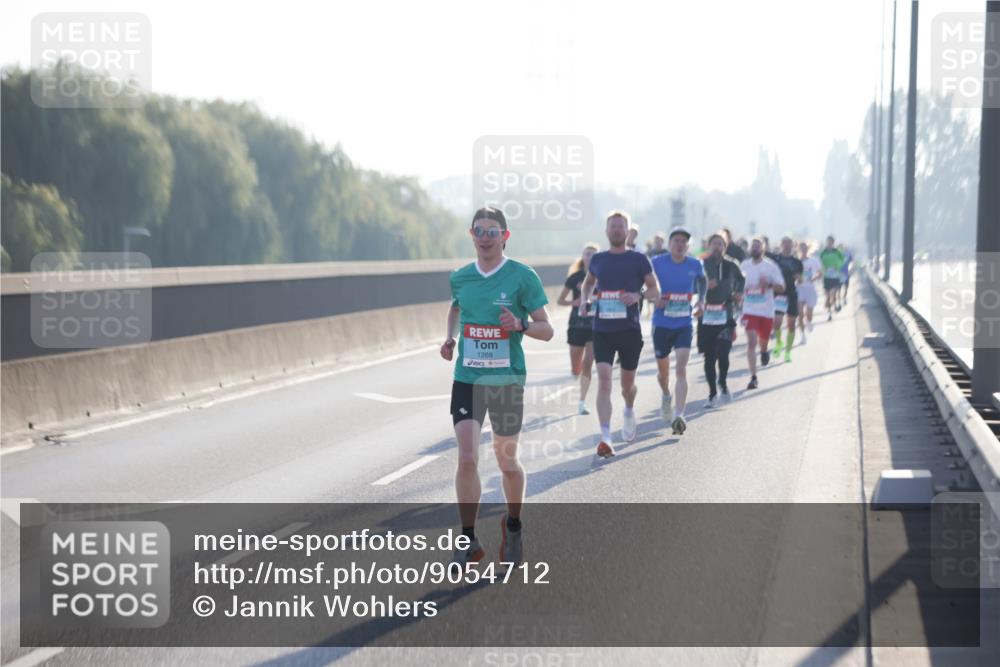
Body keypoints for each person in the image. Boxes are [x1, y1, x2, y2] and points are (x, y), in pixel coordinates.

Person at [441, 206, 554, 569]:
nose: (486, 237)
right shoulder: (460, 277)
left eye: (493, 231)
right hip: (468, 379)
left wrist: (519, 324)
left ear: (505, 237)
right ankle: (468, 539)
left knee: (506, 462)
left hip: (506, 380)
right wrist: (449, 339)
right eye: (480, 230)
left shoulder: (523, 276)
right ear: (470, 235)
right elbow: (456, 308)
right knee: (468, 457)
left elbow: (547, 329)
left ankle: (515, 525)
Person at [579, 211, 660, 458]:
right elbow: (587, 283)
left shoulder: (639, 259)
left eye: (620, 226)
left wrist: (637, 296)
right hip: (602, 329)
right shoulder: (599, 259)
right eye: (612, 226)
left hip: (629, 331)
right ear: (606, 231)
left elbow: (655, 290)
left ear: (627, 231)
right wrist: (584, 300)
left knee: (627, 386)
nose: (616, 230)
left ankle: (628, 407)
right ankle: (605, 436)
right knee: (603, 381)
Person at [650, 226, 706, 434]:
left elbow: (702, 282)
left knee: (681, 368)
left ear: (687, 245)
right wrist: (655, 298)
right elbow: (644, 286)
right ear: (669, 244)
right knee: (663, 372)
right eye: (676, 241)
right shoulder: (656, 263)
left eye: (684, 242)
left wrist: (701, 301)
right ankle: (666, 394)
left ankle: (679, 414)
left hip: (684, 323)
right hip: (662, 324)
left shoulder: (694, 264)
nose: (680, 245)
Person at [699, 233, 745, 406]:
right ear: (709, 246)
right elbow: (693, 283)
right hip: (707, 315)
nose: (717, 247)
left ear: (725, 247)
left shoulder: (731, 264)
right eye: (714, 244)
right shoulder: (702, 264)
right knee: (709, 357)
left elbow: (741, 279)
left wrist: (738, 292)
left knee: (724, 353)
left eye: (720, 244)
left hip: (726, 313)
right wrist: (704, 286)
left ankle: (723, 382)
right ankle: (712, 393)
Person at [557, 243, 600, 415]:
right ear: (583, 257)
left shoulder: (603, 276)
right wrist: (573, 303)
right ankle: (575, 372)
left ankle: (582, 401)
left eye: (594, 254)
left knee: (588, 362)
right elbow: (560, 300)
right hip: (576, 324)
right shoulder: (575, 277)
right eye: (587, 254)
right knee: (576, 366)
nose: (590, 257)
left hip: (596, 325)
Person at [740, 237, 785, 390]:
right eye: (753, 246)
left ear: (763, 249)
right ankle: (753, 377)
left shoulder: (770, 267)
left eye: (758, 246)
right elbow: (736, 285)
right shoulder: (744, 266)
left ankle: (764, 351)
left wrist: (769, 285)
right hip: (749, 310)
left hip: (766, 311)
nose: (755, 248)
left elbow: (781, 287)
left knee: (763, 340)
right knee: (751, 342)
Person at [771, 237, 804, 363]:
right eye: (784, 243)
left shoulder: (797, 262)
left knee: (791, 324)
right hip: (778, 294)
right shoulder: (775, 260)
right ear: (781, 245)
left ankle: (788, 352)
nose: (787, 246)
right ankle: (779, 342)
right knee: (777, 323)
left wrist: (798, 277)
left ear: (793, 246)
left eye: (789, 244)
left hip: (791, 294)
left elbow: (801, 280)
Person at [797, 241, 821, 341]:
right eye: (801, 248)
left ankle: (809, 321)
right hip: (799, 289)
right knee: (800, 314)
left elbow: (820, 274)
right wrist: (797, 278)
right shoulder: (796, 262)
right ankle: (802, 335)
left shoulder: (814, 261)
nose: (803, 250)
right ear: (799, 249)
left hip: (810, 289)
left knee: (809, 314)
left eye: (805, 248)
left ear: (808, 249)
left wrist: (813, 278)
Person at [819, 236, 845, 321]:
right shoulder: (823, 252)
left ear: (833, 242)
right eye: (828, 241)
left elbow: (842, 260)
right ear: (827, 242)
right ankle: (829, 313)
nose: (830, 243)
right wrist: (824, 269)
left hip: (835, 276)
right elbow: (820, 262)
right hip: (826, 277)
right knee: (827, 296)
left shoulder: (837, 252)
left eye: (831, 241)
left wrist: (836, 266)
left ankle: (835, 305)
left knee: (833, 295)